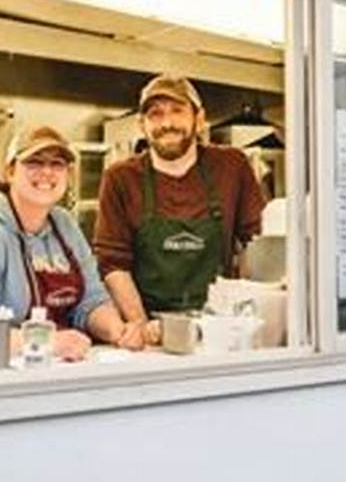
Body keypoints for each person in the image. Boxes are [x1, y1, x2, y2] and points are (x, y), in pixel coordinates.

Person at [0, 126, 143, 361]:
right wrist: (43, 342)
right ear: (10, 171)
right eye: (34, 162)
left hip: (57, 374)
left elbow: (91, 302)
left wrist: (117, 330)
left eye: (57, 164)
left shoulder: (65, 226)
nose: (47, 173)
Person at [95, 74, 266, 345]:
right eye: (155, 114)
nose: (167, 123)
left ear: (199, 119)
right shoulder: (120, 178)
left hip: (219, 329)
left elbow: (254, 244)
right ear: (142, 124)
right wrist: (140, 325)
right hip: (150, 327)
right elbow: (113, 263)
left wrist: (242, 313)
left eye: (177, 111)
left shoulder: (232, 167)